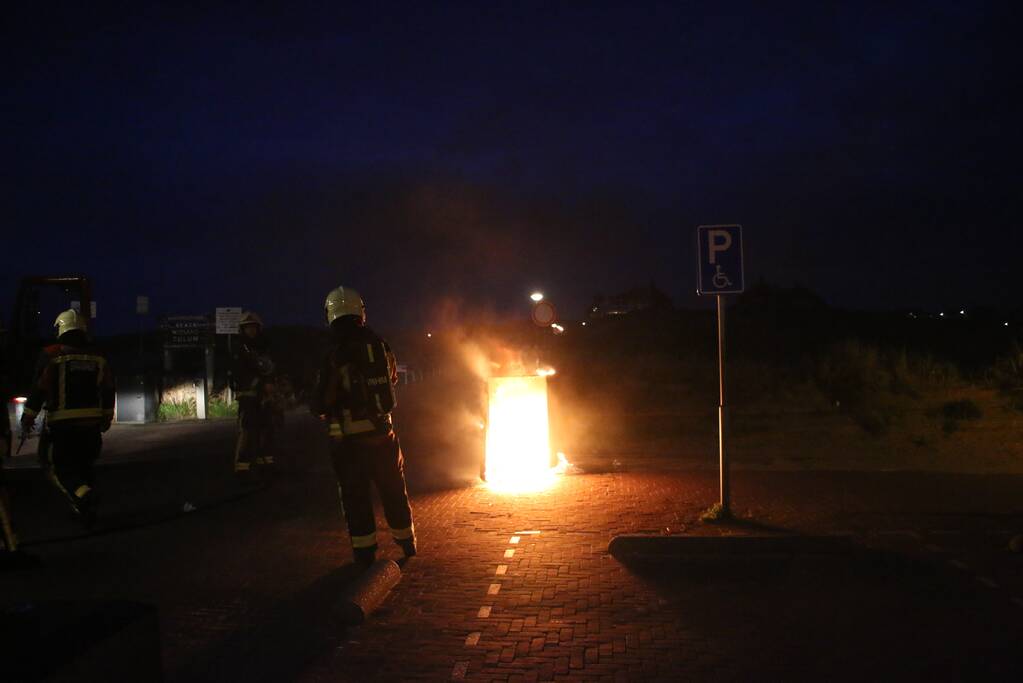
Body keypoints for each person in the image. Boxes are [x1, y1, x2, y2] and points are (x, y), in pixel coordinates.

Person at [312, 286, 416, 566]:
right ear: (360, 312)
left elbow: (319, 402)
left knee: (355, 496)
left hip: (347, 442)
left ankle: (365, 552)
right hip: (383, 434)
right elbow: (391, 379)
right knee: (393, 489)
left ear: (330, 314)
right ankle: (406, 542)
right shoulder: (379, 344)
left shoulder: (332, 351)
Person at [21, 309, 114, 527]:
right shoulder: (99, 359)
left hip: (61, 428)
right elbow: (109, 389)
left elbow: (39, 390)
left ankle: (83, 496)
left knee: (54, 466)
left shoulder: (52, 357)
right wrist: (106, 418)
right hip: (91, 428)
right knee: (84, 467)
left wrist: (28, 417)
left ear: (61, 329)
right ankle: (85, 512)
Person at [231, 311, 275, 473]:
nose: (251, 331)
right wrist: (258, 383)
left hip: (262, 397)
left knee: (266, 427)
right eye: (247, 328)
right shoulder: (238, 350)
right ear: (242, 330)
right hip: (247, 396)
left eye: (253, 327)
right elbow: (238, 373)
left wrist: (269, 383)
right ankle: (242, 466)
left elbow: (270, 368)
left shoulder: (263, 347)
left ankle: (264, 462)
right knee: (247, 430)